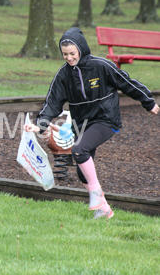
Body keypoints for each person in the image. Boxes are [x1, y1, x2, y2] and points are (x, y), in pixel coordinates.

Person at [24, 27, 159, 219]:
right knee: (82, 174)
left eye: (72, 53)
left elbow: (125, 82)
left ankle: (95, 196)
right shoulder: (63, 75)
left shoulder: (101, 66)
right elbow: (52, 102)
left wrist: (148, 100)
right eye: (65, 54)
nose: (69, 58)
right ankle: (104, 209)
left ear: (81, 48)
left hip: (105, 119)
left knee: (78, 150)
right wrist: (39, 125)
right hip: (82, 124)